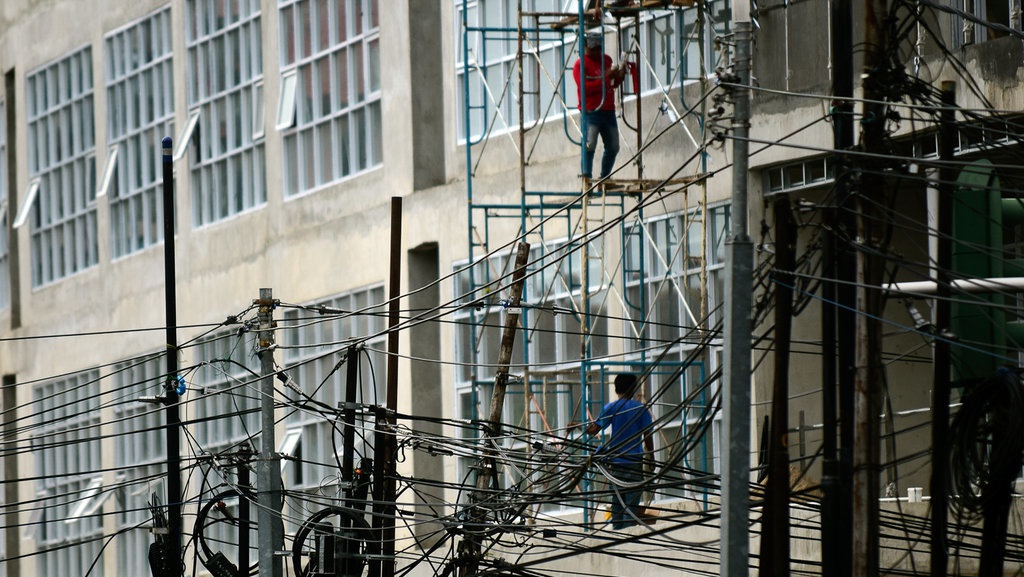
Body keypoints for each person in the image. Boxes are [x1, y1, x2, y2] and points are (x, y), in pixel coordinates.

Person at [586, 373, 654, 529]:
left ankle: (618, 532)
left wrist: (578, 426)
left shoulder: (611, 408)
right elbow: (648, 436)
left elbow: (593, 430)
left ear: (616, 389)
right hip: (634, 462)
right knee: (631, 504)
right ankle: (628, 534)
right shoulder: (641, 409)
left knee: (617, 502)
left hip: (615, 463)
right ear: (633, 388)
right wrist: (651, 457)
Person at [573, 31, 627, 181]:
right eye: (593, 49)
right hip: (591, 111)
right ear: (585, 47)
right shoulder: (580, 65)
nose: (596, 52)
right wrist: (606, 78)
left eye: (598, 48)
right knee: (589, 145)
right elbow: (585, 88)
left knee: (613, 146)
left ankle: (605, 177)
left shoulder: (606, 60)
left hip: (608, 109)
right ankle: (587, 177)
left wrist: (618, 76)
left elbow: (612, 84)